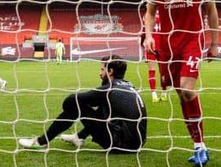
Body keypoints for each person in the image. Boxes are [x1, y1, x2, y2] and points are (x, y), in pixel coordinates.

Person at [143, 0, 219, 166]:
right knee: (179, 94)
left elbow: (211, 10)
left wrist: (214, 42)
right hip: (167, 45)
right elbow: (150, 12)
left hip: (191, 41)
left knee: (187, 90)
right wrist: (148, 36)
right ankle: (197, 145)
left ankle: (201, 145)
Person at [18, 55, 147, 153]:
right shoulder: (129, 85)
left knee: (76, 106)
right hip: (137, 144)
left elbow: (71, 100)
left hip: (120, 144)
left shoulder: (109, 89)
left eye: (102, 69)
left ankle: (41, 142)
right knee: (104, 107)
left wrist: (71, 111)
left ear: (110, 71)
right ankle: (78, 137)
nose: (100, 73)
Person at [141, 10, 168, 103]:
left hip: (150, 46)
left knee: (151, 71)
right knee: (163, 71)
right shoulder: (165, 13)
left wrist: (142, 43)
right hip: (163, 46)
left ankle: (154, 95)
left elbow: (144, 32)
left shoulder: (148, 14)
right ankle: (164, 94)